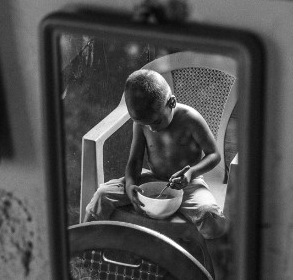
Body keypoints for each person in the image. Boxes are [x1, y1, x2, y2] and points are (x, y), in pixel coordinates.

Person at [83, 68, 229, 240]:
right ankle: (83, 247)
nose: (152, 128)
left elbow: (214, 155)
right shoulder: (142, 124)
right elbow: (135, 160)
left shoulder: (191, 119)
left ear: (172, 103)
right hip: (152, 179)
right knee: (102, 195)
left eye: (157, 121)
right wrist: (130, 186)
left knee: (210, 216)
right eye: (145, 124)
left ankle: (214, 266)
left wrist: (190, 173)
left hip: (188, 184)